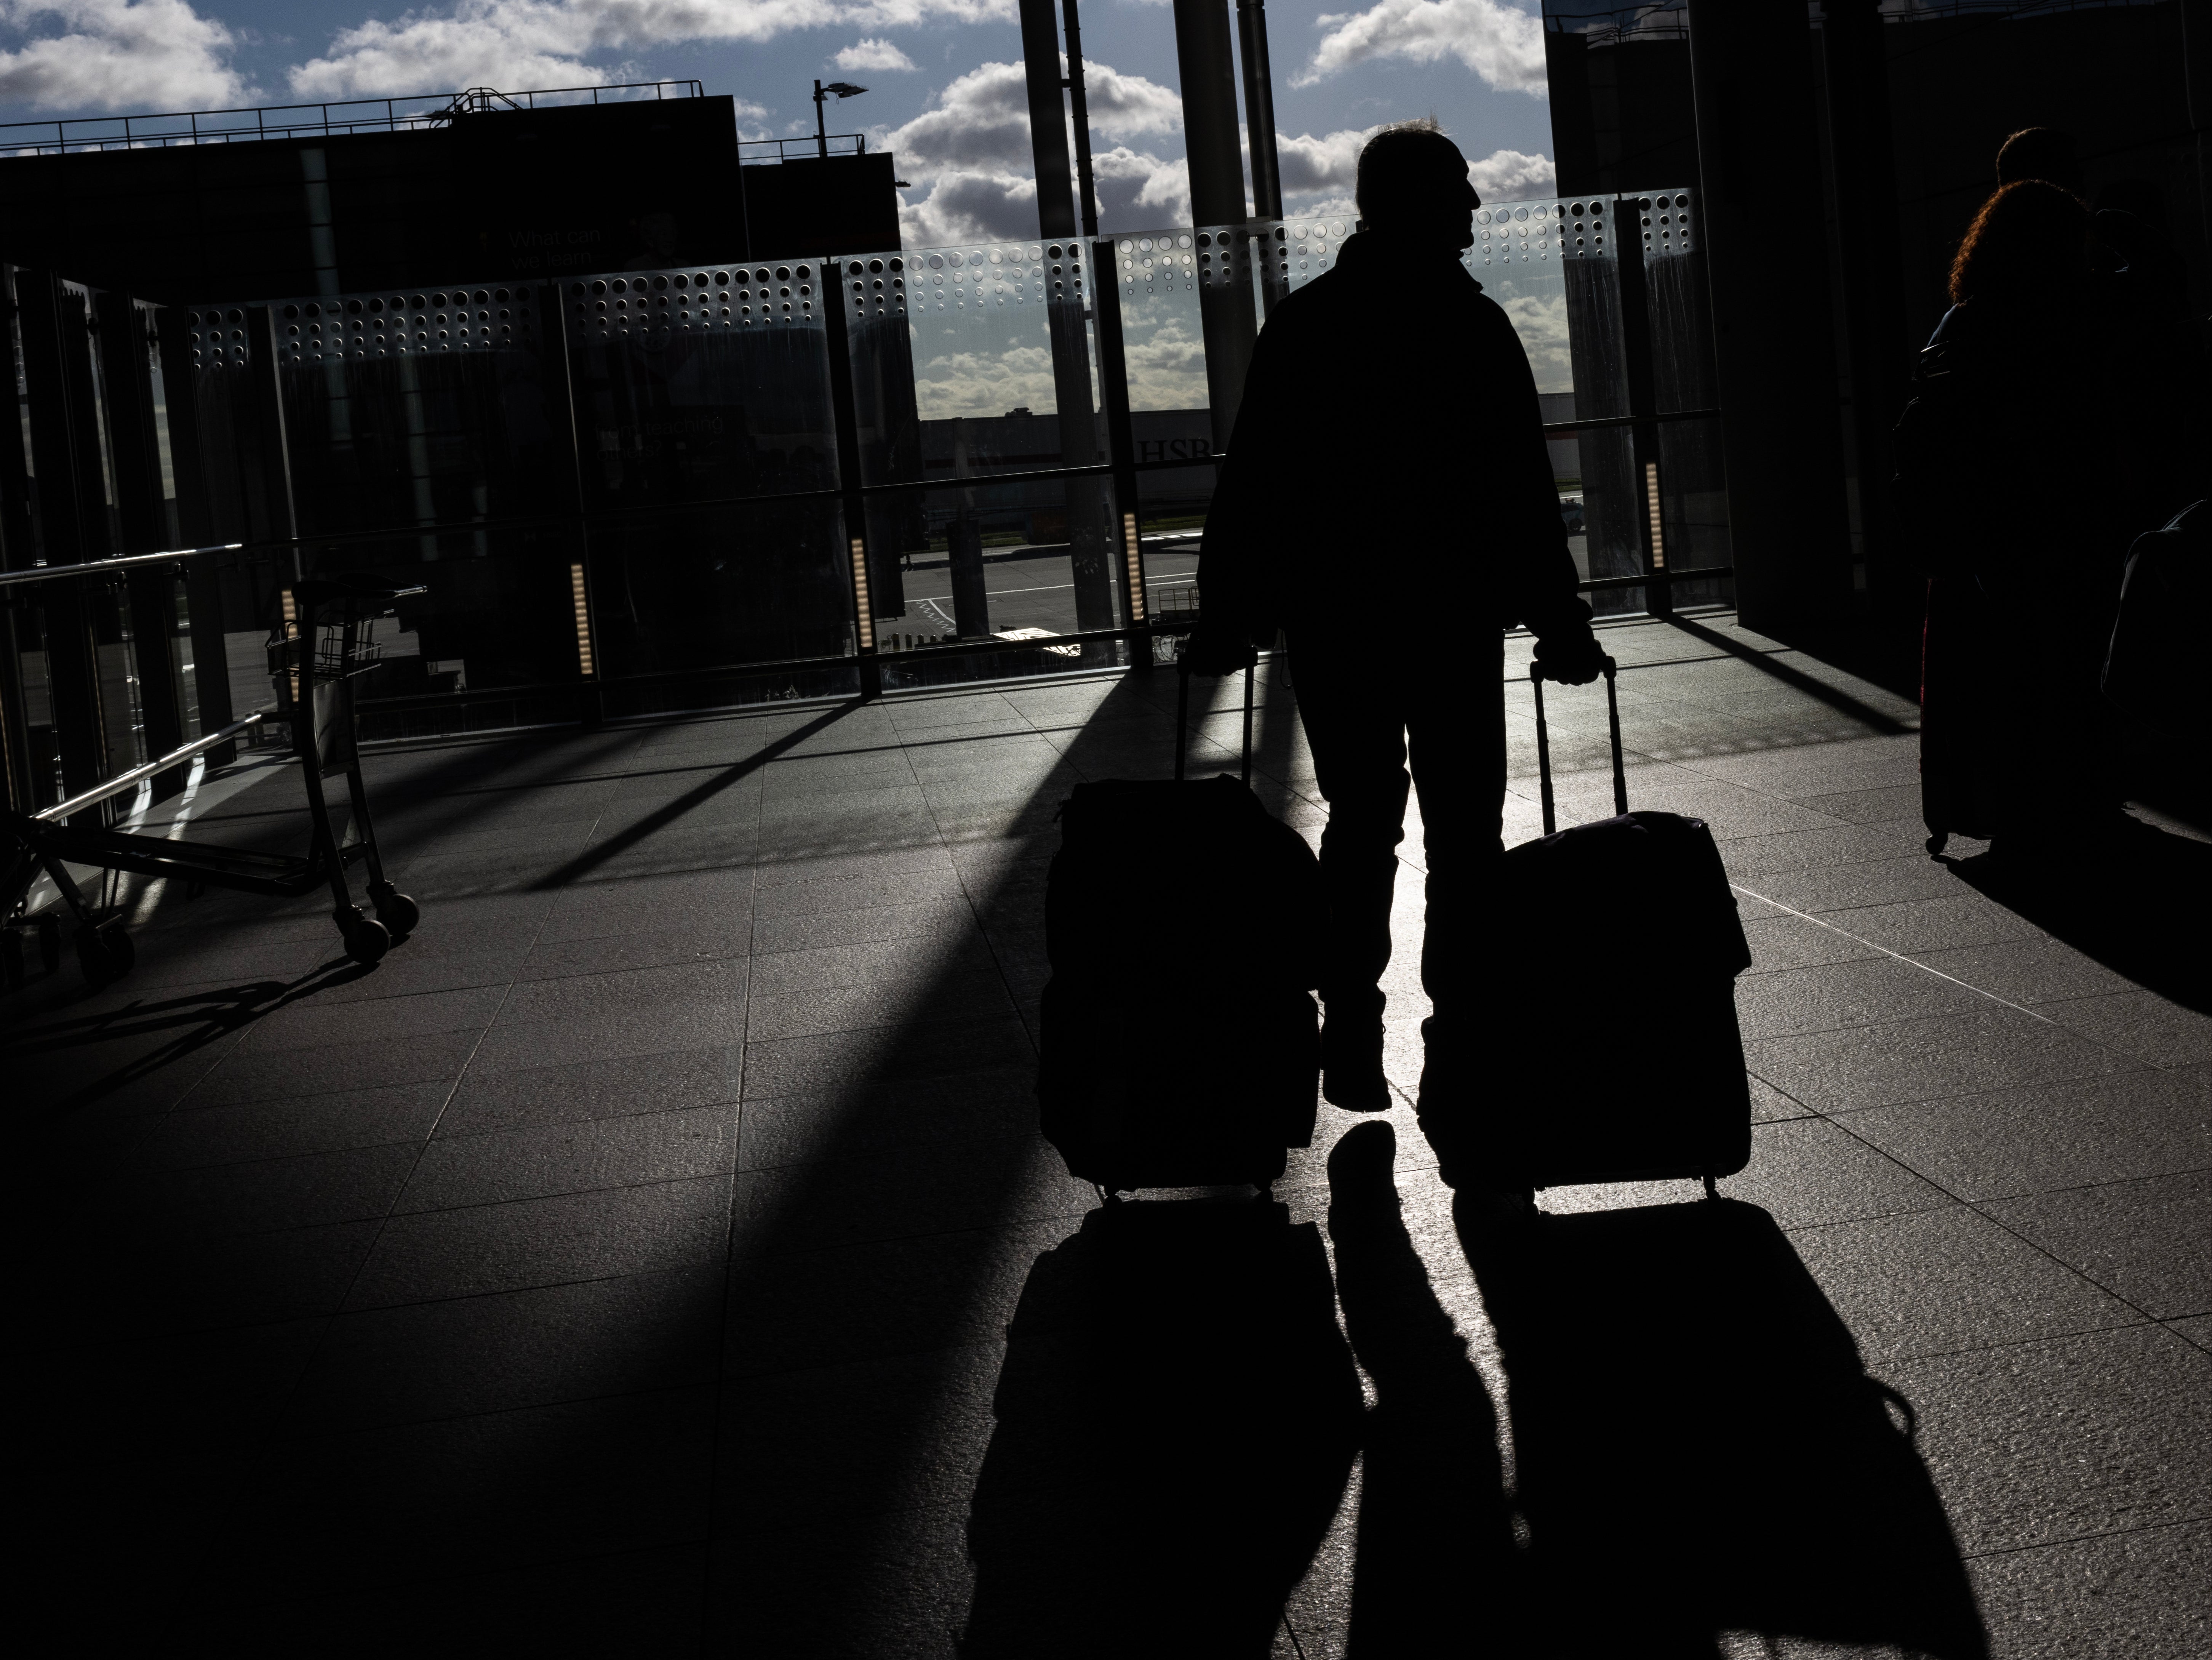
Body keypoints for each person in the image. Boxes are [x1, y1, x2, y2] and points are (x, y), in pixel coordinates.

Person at [1182, 122, 1604, 1117]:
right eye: (1459, 188)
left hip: (1339, 624)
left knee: (1363, 822)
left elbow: (1258, 490)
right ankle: (1459, 1032)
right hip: (1452, 621)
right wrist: (1559, 619)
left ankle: (1353, 1031)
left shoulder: (1306, 326)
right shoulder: (1473, 328)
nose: (1474, 205)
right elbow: (1519, 493)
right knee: (1466, 832)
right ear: (1420, 201)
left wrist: (1231, 616)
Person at [1892, 179, 2142, 855]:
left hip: (1978, 534)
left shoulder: (1964, 321)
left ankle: (2013, 804)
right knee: (2069, 664)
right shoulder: (2061, 318)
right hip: (2054, 524)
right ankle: (2073, 800)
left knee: (2000, 673)